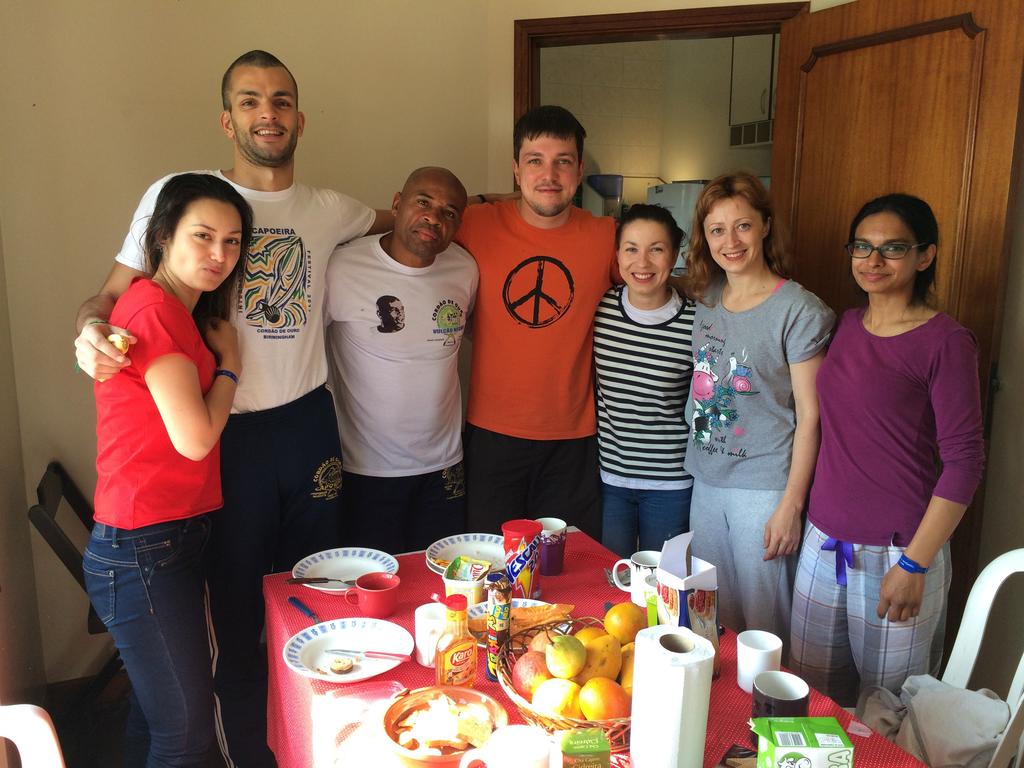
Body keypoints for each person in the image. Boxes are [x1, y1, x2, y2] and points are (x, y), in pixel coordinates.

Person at [73, 50, 392, 767]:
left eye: (281, 101)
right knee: (235, 613)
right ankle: (247, 750)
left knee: (318, 595)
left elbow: (404, 218)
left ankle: (314, 741)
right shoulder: (181, 197)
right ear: (227, 120)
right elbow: (110, 296)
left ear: (300, 119)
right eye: (250, 101)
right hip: (227, 436)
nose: (267, 114)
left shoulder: (329, 208)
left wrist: (490, 205)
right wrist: (88, 330)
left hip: (307, 423)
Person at [789, 194, 985, 705]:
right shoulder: (846, 325)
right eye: (862, 246)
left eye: (893, 248)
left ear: (925, 256)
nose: (873, 260)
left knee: (888, 712)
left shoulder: (945, 341)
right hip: (824, 542)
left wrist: (915, 565)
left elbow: (965, 463)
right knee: (811, 701)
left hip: (899, 551)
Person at [85, 173, 251, 767]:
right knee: (185, 734)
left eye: (232, 241)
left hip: (158, 537)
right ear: (161, 236)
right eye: (202, 236)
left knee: (158, 718)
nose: (219, 255)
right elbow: (196, 439)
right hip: (142, 547)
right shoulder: (154, 309)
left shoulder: (174, 309)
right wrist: (231, 365)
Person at [683, 171, 834, 641]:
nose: (730, 241)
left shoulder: (799, 310)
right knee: (711, 619)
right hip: (707, 481)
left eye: (743, 226)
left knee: (766, 628)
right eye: (717, 230)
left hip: (764, 487)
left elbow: (811, 416)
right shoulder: (706, 298)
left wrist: (791, 504)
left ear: (766, 226)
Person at [458, 105, 616, 539]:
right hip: (491, 434)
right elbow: (420, 222)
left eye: (563, 161)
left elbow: (659, 283)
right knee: (490, 560)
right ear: (515, 168)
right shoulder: (474, 224)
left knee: (570, 562)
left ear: (579, 170)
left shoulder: (607, 236)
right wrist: (483, 198)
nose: (549, 175)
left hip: (575, 439)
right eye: (535, 161)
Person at [325, 167, 478, 552]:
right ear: (397, 204)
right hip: (365, 468)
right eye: (423, 202)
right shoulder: (342, 266)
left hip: (444, 466)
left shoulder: (465, 269)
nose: (434, 218)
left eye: (449, 212)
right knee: (373, 579)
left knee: (443, 578)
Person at [594, 204, 696, 557]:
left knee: (662, 581)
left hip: (671, 482)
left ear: (675, 254)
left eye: (656, 249)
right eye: (631, 249)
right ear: (617, 254)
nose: (642, 262)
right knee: (610, 577)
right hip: (609, 479)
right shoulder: (600, 309)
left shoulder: (696, 322)